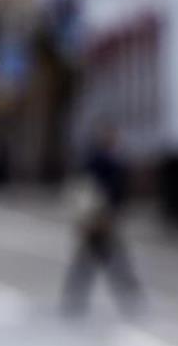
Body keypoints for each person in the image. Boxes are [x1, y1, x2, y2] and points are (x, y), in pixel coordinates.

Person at [60, 124, 145, 318]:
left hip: (105, 219)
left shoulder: (110, 162)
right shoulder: (97, 163)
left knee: (98, 260)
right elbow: (84, 192)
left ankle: (77, 298)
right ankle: (129, 296)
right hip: (98, 219)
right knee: (105, 260)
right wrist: (91, 217)